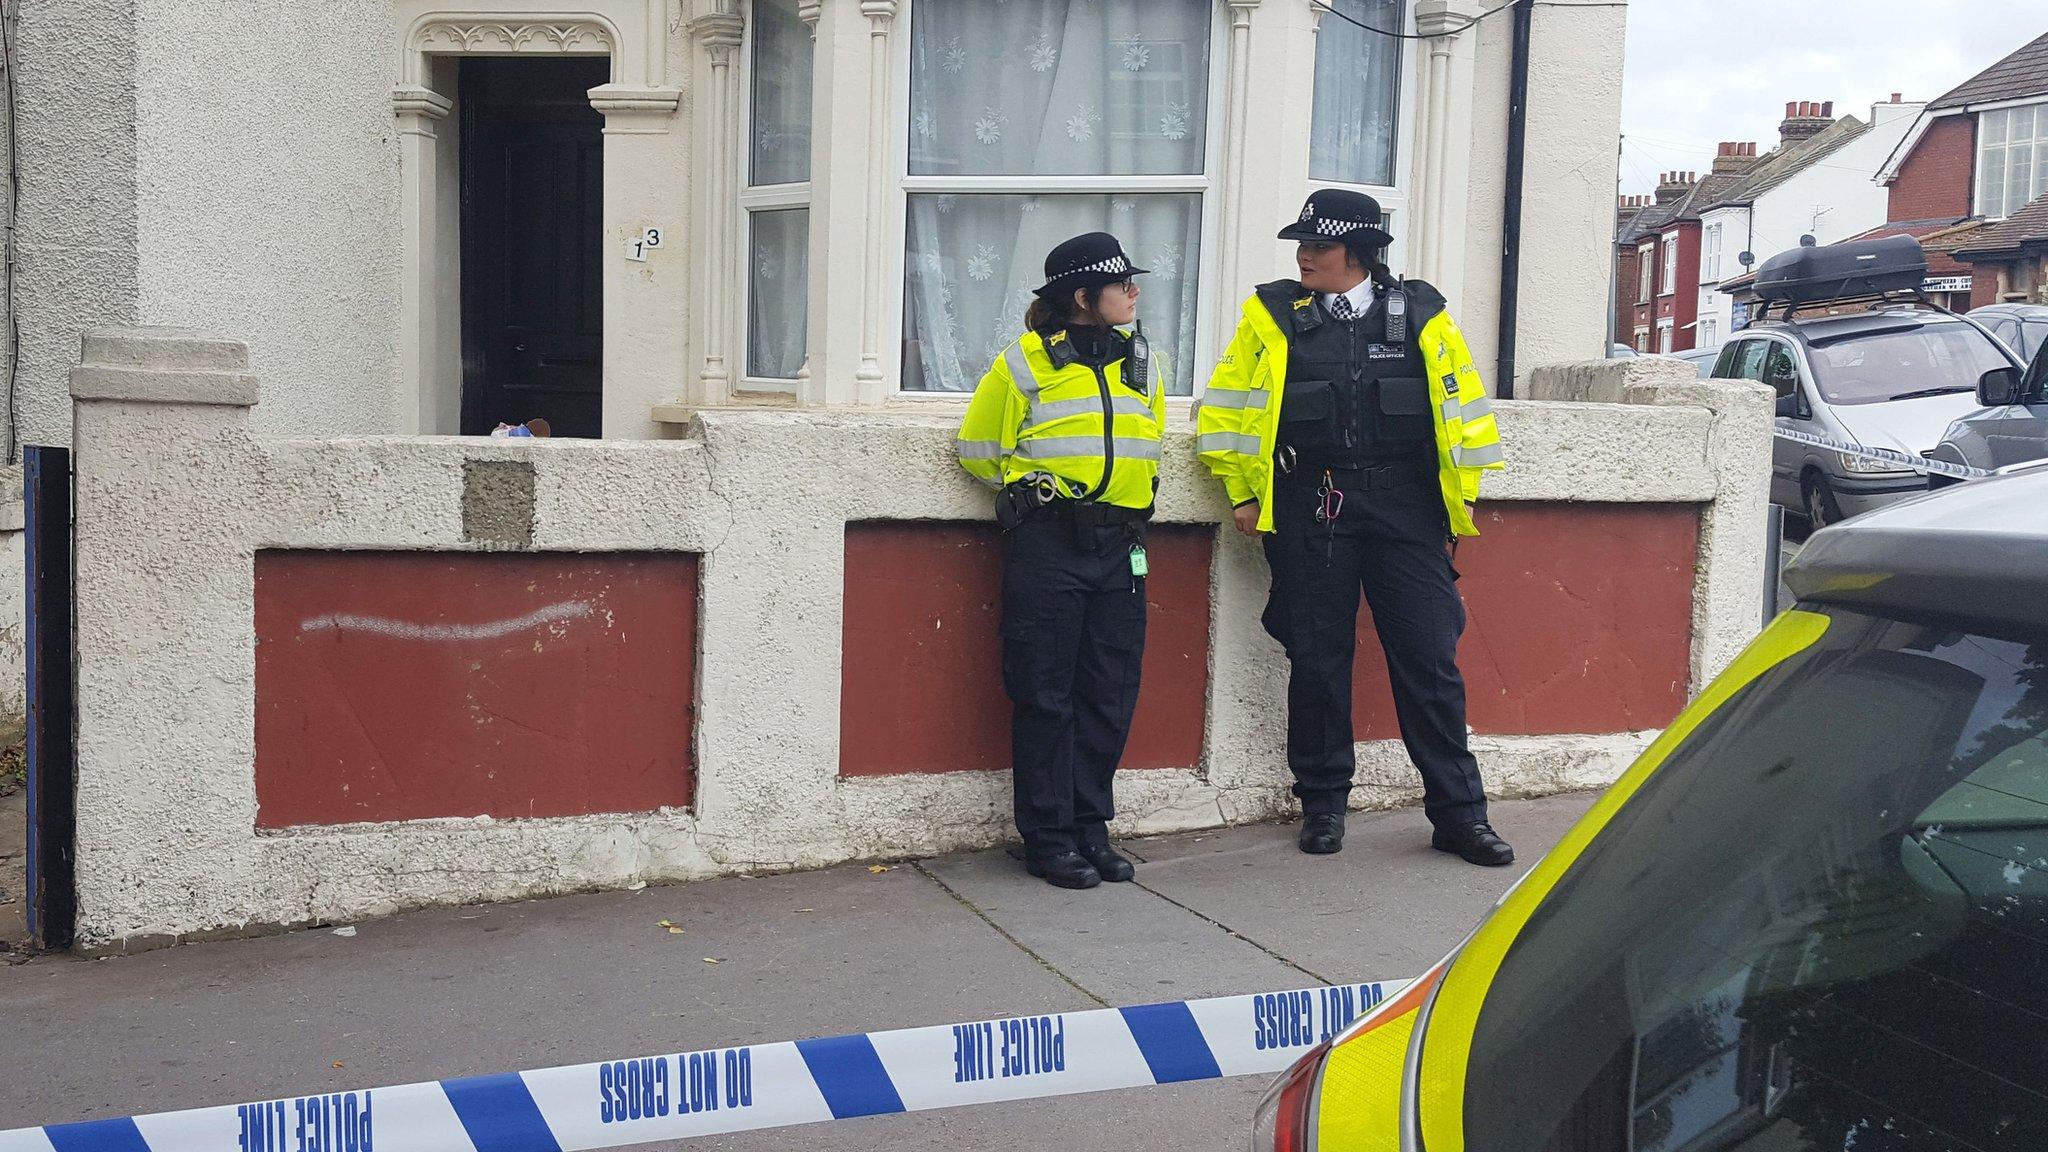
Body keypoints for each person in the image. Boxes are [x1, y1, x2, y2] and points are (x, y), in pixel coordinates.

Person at [1195, 189, 1513, 866]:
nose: (1305, 257)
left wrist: (1460, 500)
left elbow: (1466, 415)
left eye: (1320, 246)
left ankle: (1460, 815)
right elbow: (1225, 414)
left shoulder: (1423, 314)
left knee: (1430, 662)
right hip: (1314, 502)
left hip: (1408, 508)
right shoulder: (1271, 316)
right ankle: (1323, 804)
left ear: (1359, 254)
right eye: (1302, 246)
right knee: (1317, 659)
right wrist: (1243, 493)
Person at [956, 232, 1167, 890]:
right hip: (1049, 541)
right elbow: (979, 449)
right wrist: (1043, 494)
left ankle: (1090, 827)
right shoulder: (1023, 362)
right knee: (1046, 693)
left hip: (1120, 547)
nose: (1135, 293)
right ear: (1082, 297)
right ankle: (1047, 836)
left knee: (1109, 692)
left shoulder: (1145, 361)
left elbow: (1152, 440)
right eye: (1121, 284)